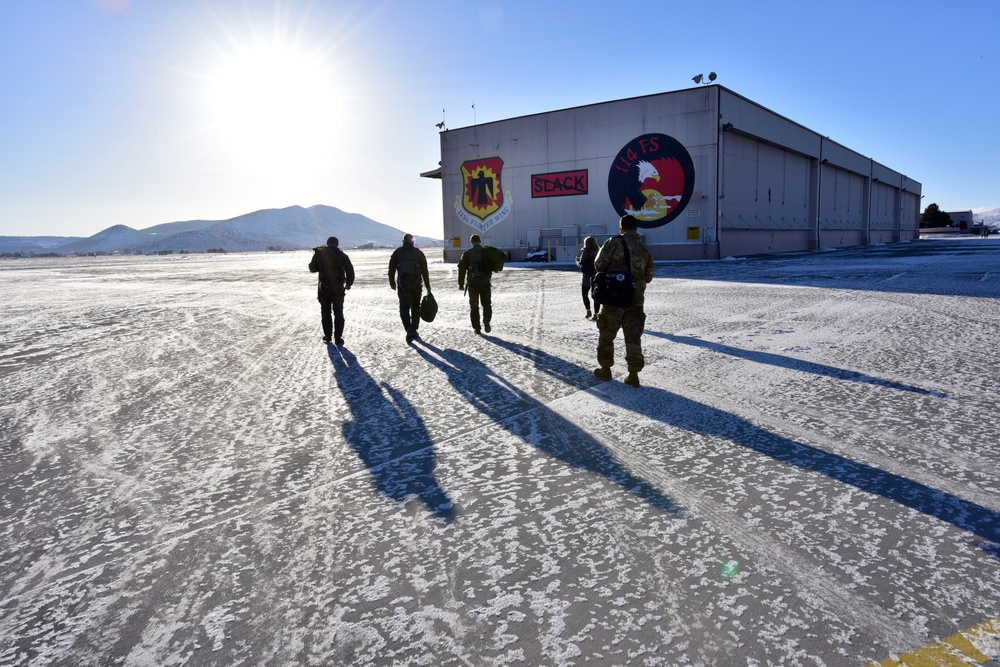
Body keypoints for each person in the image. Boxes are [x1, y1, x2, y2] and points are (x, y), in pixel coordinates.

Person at [593, 215, 654, 387]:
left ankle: (605, 369)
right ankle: (633, 374)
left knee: (607, 334)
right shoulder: (644, 248)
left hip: (614, 298)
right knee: (633, 337)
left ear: (621, 228)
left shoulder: (613, 242)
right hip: (635, 300)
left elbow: (599, 265)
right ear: (636, 228)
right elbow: (648, 276)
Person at [308, 236, 355, 345]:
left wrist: (316, 257)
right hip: (338, 288)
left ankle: (328, 336)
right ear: (337, 244)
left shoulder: (320, 253)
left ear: (327, 243)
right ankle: (338, 337)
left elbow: (312, 269)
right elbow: (350, 270)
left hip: (324, 288)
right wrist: (348, 283)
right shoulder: (343, 256)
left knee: (325, 312)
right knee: (338, 312)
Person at [388, 233, 432, 343]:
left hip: (403, 285)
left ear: (403, 242)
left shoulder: (397, 252)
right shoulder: (419, 253)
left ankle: (408, 328)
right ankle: (414, 329)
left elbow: (391, 269)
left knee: (404, 308)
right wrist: (427, 285)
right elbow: (425, 271)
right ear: (413, 242)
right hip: (416, 285)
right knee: (416, 307)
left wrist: (392, 282)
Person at [457, 234, 493, 334]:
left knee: (474, 306)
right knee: (486, 304)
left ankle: (477, 328)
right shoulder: (486, 252)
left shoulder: (467, 254)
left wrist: (460, 284)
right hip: (485, 283)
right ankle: (486, 321)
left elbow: (462, 270)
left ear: (471, 242)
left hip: (473, 284)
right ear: (480, 241)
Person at [577, 235, 601, 320]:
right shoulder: (598, 251)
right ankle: (596, 313)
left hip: (586, 276)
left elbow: (582, 264)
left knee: (585, 294)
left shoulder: (585, 252)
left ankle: (588, 311)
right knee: (596, 295)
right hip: (596, 276)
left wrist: (578, 262)